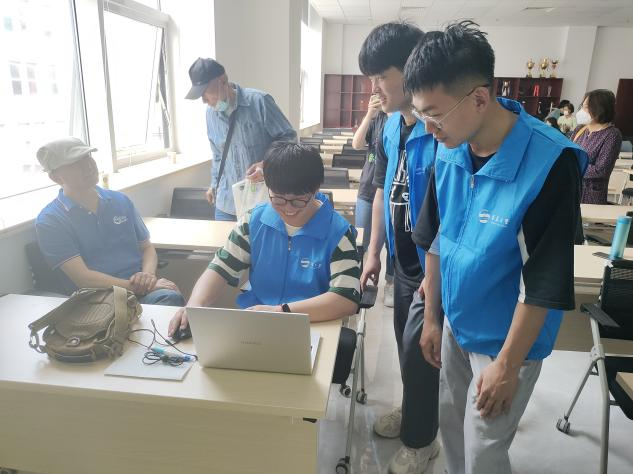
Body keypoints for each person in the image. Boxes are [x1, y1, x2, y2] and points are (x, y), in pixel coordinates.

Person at [404, 21, 588, 474]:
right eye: (420, 113)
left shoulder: (549, 163)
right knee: (452, 431)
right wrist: (433, 318)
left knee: (483, 453)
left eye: (434, 114)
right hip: (456, 323)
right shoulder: (449, 146)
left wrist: (507, 366)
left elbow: (544, 280)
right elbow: (437, 238)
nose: (428, 128)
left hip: (506, 342)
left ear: (480, 98)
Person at [168, 142, 360, 337]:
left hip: (315, 324)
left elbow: (345, 299)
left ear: (316, 189)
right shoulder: (254, 222)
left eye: (298, 200)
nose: (288, 208)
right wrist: (194, 305)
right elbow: (220, 268)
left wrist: (280, 312)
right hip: (257, 322)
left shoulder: (338, 232)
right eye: (278, 199)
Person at [358, 22, 440, 474]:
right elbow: (379, 191)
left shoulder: (440, 131)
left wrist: (435, 277)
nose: (374, 88)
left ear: (410, 70)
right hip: (400, 263)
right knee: (405, 347)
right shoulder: (390, 127)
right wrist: (374, 250)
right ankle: (413, 412)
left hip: (433, 268)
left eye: (381, 77)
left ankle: (421, 440)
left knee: (421, 351)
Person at [35, 137, 185, 306]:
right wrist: (141, 288)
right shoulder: (51, 221)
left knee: (172, 298)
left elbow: (147, 247)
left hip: (137, 291)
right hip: (97, 300)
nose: (88, 166)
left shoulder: (120, 200)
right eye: (76, 164)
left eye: (88, 158)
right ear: (56, 177)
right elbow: (84, 279)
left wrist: (148, 278)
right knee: (169, 300)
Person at [185, 58, 297, 221]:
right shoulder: (210, 114)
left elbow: (289, 139)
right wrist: (214, 185)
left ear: (222, 81)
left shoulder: (259, 101)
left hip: (262, 200)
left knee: (261, 238)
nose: (203, 101)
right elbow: (217, 155)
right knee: (223, 239)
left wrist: (267, 164)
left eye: (204, 93)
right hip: (226, 203)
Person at [352, 96, 394, 307]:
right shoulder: (376, 119)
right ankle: (356, 281)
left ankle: (390, 283)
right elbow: (357, 144)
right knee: (361, 241)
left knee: (392, 242)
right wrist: (369, 114)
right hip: (368, 189)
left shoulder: (401, 120)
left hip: (392, 190)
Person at [571, 89, 623, 204]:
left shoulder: (612, 134)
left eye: (586, 107)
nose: (581, 111)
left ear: (599, 109)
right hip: (571, 188)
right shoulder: (580, 129)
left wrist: (572, 168)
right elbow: (568, 154)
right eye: (582, 106)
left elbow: (601, 170)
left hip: (590, 194)